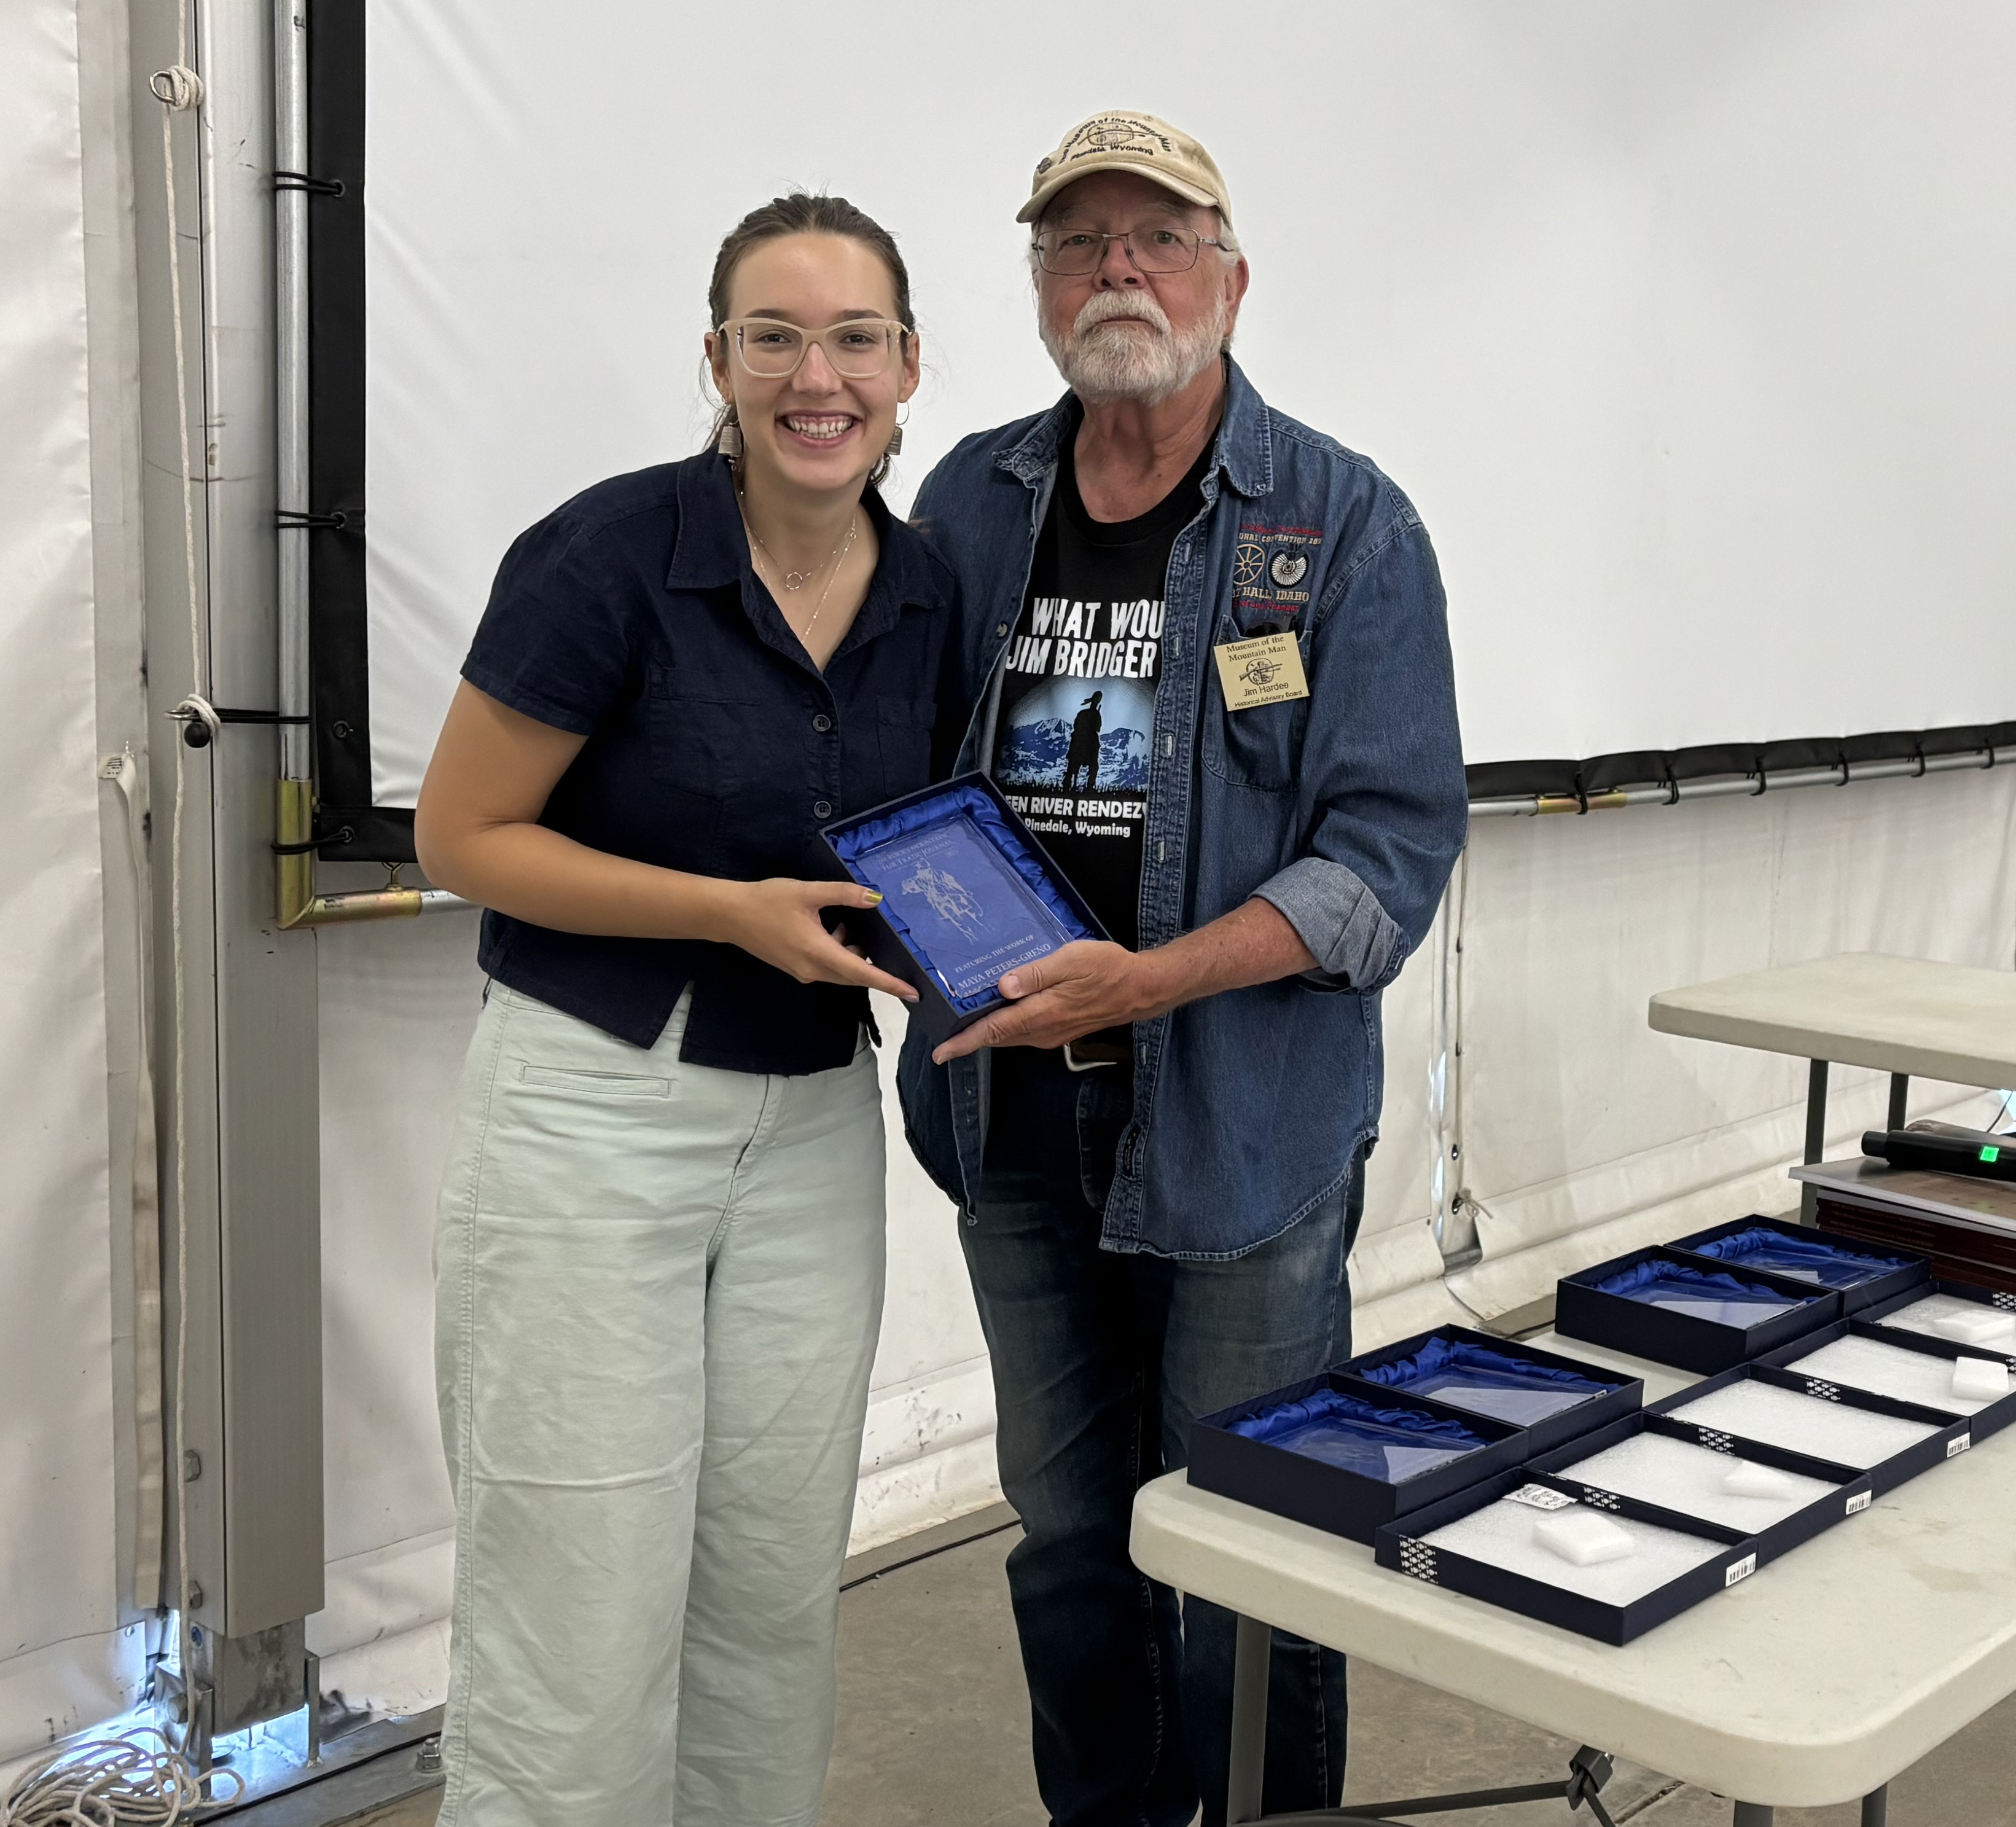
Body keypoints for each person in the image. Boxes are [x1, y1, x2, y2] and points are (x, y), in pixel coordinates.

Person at [901, 113, 1467, 1825]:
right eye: (1080, 244)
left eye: (1157, 235)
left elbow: (1385, 863)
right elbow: (913, 775)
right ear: (1038, 282)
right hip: (1013, 1128)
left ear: (1231, 271)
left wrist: (1136, 987)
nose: (1118, 271)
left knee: (1257, 1543)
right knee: (1073, 1546)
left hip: (1242, 1131)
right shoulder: (970, 501)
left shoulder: (1346, 525)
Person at [412, 193, 955, 1827]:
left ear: (909, 365)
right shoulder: (610, 553)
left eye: (855, 337)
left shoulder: (927, 594)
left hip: (809, 1127)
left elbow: (914, 852)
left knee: (774, 1593)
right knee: (574, 1607)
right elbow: (462, 838)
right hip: (592, 1110)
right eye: (775, 337)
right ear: (717, 361)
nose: (818, 375)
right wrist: (729, 916)